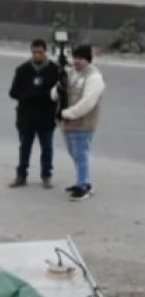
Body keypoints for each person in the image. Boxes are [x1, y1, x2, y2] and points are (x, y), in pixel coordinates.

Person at [7, 39, 61, 188]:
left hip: (46, 117)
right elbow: (13, 92)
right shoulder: (22, 70)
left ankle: (46, 176)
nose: (37, 55)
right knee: (24, 147)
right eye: (34, 52)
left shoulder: (55, 71)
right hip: (26, 116)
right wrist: (29, 94)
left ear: (45, 52)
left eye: (40, 52)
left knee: (47, 148)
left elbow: (61, 93)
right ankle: (21, 175)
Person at [59, 44, 105, 201]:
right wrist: (56, 89)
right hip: (67, 123)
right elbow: (58, 91)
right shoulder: (71, 72)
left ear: (88, 59)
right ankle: (83, 181)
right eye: (75, 58)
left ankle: (83, 187)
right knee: (74, 153)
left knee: (81, 154)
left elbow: (88, 102)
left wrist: (68, 113)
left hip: (83, 123)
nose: (77, 61)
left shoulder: (94, 77)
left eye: (80, 58)